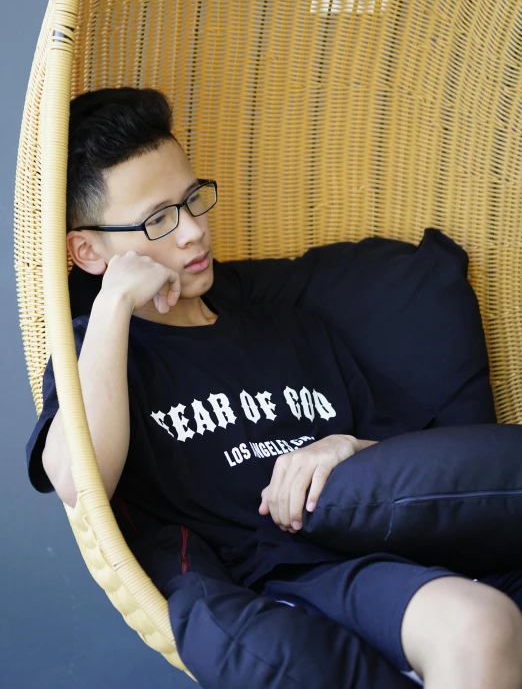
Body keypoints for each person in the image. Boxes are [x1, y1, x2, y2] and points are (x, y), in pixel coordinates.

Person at [26, 87, 522, 689]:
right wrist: (111, 310)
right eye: (159, 219)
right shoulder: (101, 358)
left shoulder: (292, 329)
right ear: (89, 249)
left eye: (192, 200)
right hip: (285, 584)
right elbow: (81, 484)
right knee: (478, 625)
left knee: (483, 621)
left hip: (386, 553)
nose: (193, 232)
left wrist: (343, 445)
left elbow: (418, 453)